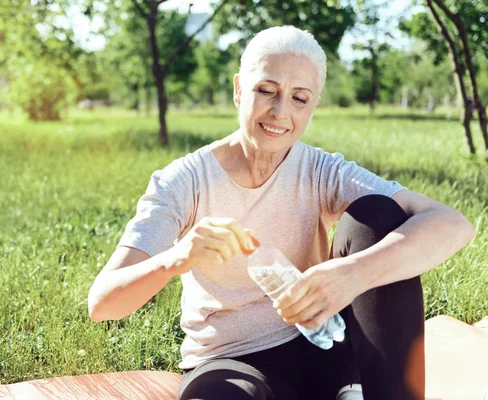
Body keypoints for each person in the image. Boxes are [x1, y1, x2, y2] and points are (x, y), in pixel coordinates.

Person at [87, 26, 475, 400]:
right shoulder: (182, 181)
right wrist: (177, 257)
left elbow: (452, 224)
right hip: (233, 362)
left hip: (328, 344)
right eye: (266, 90)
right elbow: (103, 303)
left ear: (314, 105)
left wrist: (352, 274)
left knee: (376, 216)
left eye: (299, 98)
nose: (279, 112)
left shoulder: (323, 171)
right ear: (239, 90)